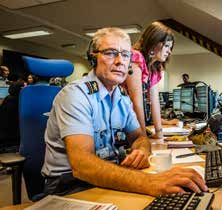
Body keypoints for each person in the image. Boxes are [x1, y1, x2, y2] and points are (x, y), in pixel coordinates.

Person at [42, 27, 208, 196]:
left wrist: (142, 151)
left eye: (126, 54)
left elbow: (139, 137)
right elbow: (83, 166)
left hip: (106, 176)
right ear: (93, 58)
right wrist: (150, 182)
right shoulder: (75, 95)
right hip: (70, 186)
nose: (120, 61)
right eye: (111, 53)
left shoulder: (122, 97)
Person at [123, 22, 179, 138]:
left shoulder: (155, 68)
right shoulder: (136, 58)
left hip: (131, 123)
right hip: (122, 123)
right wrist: (142, 137)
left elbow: (155, 100)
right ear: (154, 42)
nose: (169, 51)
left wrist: (159, 133)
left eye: (170, 47)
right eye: (167, 46)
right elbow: (136, 101)